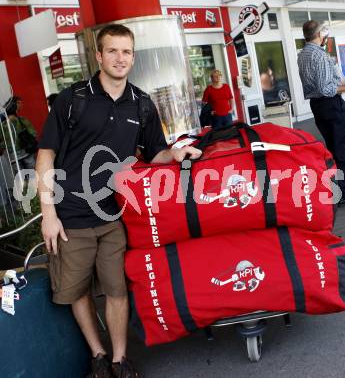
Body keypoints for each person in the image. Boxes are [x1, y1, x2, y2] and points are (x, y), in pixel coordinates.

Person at [36, 24, 202, 378]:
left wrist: (175, 154)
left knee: (116, 289)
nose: (119, 58)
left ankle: (119, 360)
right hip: (69, 215)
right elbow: (45, 155)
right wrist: (48, 214)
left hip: (114, 215)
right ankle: (98, 355)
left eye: (126, 52)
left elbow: (154, 152)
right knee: (77, 290)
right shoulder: (73, 99)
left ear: (133, 56)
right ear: (99, 55)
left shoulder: (141, 103)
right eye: (112, 51)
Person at [298, 20, 345, 204]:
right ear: (319, 34)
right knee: (344, 148)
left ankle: (341, 189)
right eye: (324, 32)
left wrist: (340, 86)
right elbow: (325, 88)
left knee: (334, 147)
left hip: (318, 106)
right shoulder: (319, 55)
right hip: (331, 105)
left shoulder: (303, 54)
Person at [1, 95, 37, 171]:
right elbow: (33, 133)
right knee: (32, 175)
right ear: (14, 105)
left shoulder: (2, 125)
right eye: (19, 103)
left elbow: (1, 142)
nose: (21, 105)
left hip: (12, 156)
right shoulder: (22, 120)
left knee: (20, 179)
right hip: (26, 152)